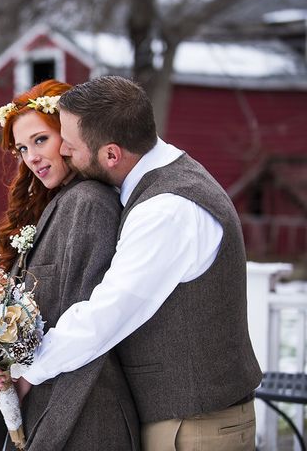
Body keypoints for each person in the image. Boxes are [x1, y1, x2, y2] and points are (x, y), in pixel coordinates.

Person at [14, 75, 262, 450]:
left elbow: (108, 312)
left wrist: (30, 371)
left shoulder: (167, 210)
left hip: (195, 427)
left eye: (70, 144)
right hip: (181, 418)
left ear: (111, 154)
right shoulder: (163, 175)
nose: (61, 151)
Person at [0, 79, 140, 451]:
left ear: (71, 134)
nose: (31, 157)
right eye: (22, 148)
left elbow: (86, 316)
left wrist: (19, 376)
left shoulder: (89, 203)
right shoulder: (59, 202)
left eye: (40, 140)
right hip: (49, 405)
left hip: (87, 416)